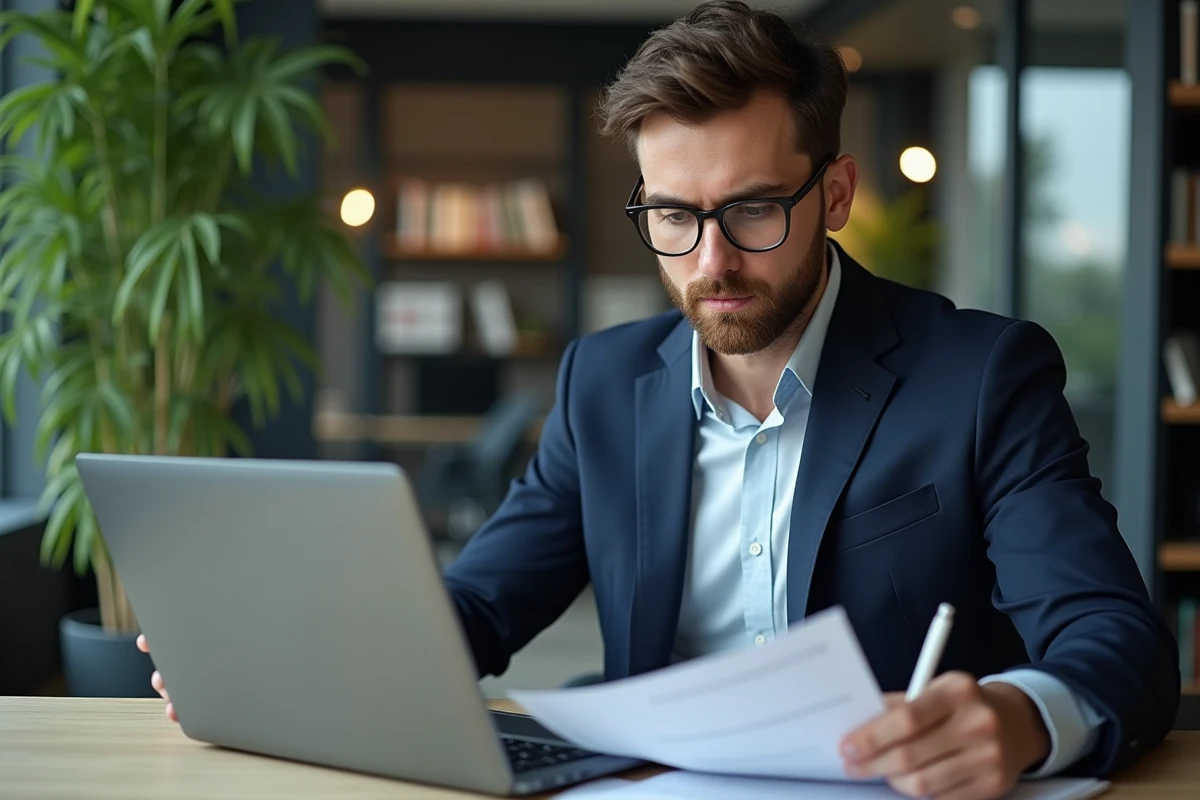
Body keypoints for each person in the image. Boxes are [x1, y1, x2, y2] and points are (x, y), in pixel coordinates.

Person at [141, 2, 1180, 798]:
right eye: (673, 216)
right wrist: (281, 665)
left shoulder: (980, 375)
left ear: (835, 193)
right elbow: (478, 606)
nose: (712, 261)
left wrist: (1019, 715)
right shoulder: (602, 381)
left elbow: (1115, 641)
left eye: (754, 209)